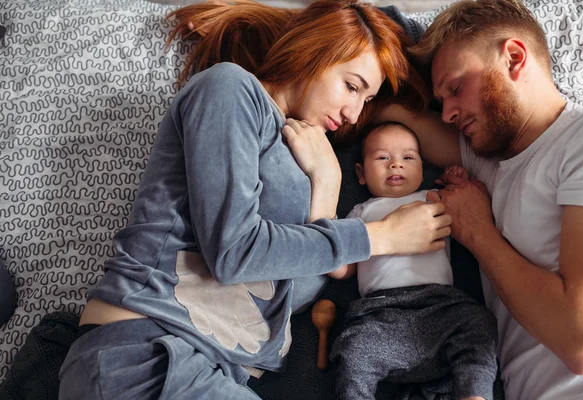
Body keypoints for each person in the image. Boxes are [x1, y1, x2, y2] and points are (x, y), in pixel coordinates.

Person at [57, 1, 453, 399]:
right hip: (149, 353)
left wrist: (328, 183)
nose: (353, 113)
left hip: (213, 370)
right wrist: (378, 237)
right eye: (351, 86)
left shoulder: (312, 158)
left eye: (366, 101)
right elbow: (233, 253)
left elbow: (297, 266)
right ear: (313, 51)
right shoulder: (230, 89)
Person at [377, 0, 583, 398]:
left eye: (456, 88)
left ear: (514, 57)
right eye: (441, 99)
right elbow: (401, 117)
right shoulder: (489, 160)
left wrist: (478, 232)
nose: (446, 113)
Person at [327, 122, 497, 400]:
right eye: (383, 158)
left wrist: (458, 183)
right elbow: (345, 269)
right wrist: (330, 242)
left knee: (478, 323)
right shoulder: (359, 213)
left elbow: (472, 215)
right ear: (360, 173)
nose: (396, 165)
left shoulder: (434, 200)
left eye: (408, 158)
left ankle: (473, 394)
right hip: (380, 316)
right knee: (353, 348)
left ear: (422, 167)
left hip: (442, 308)